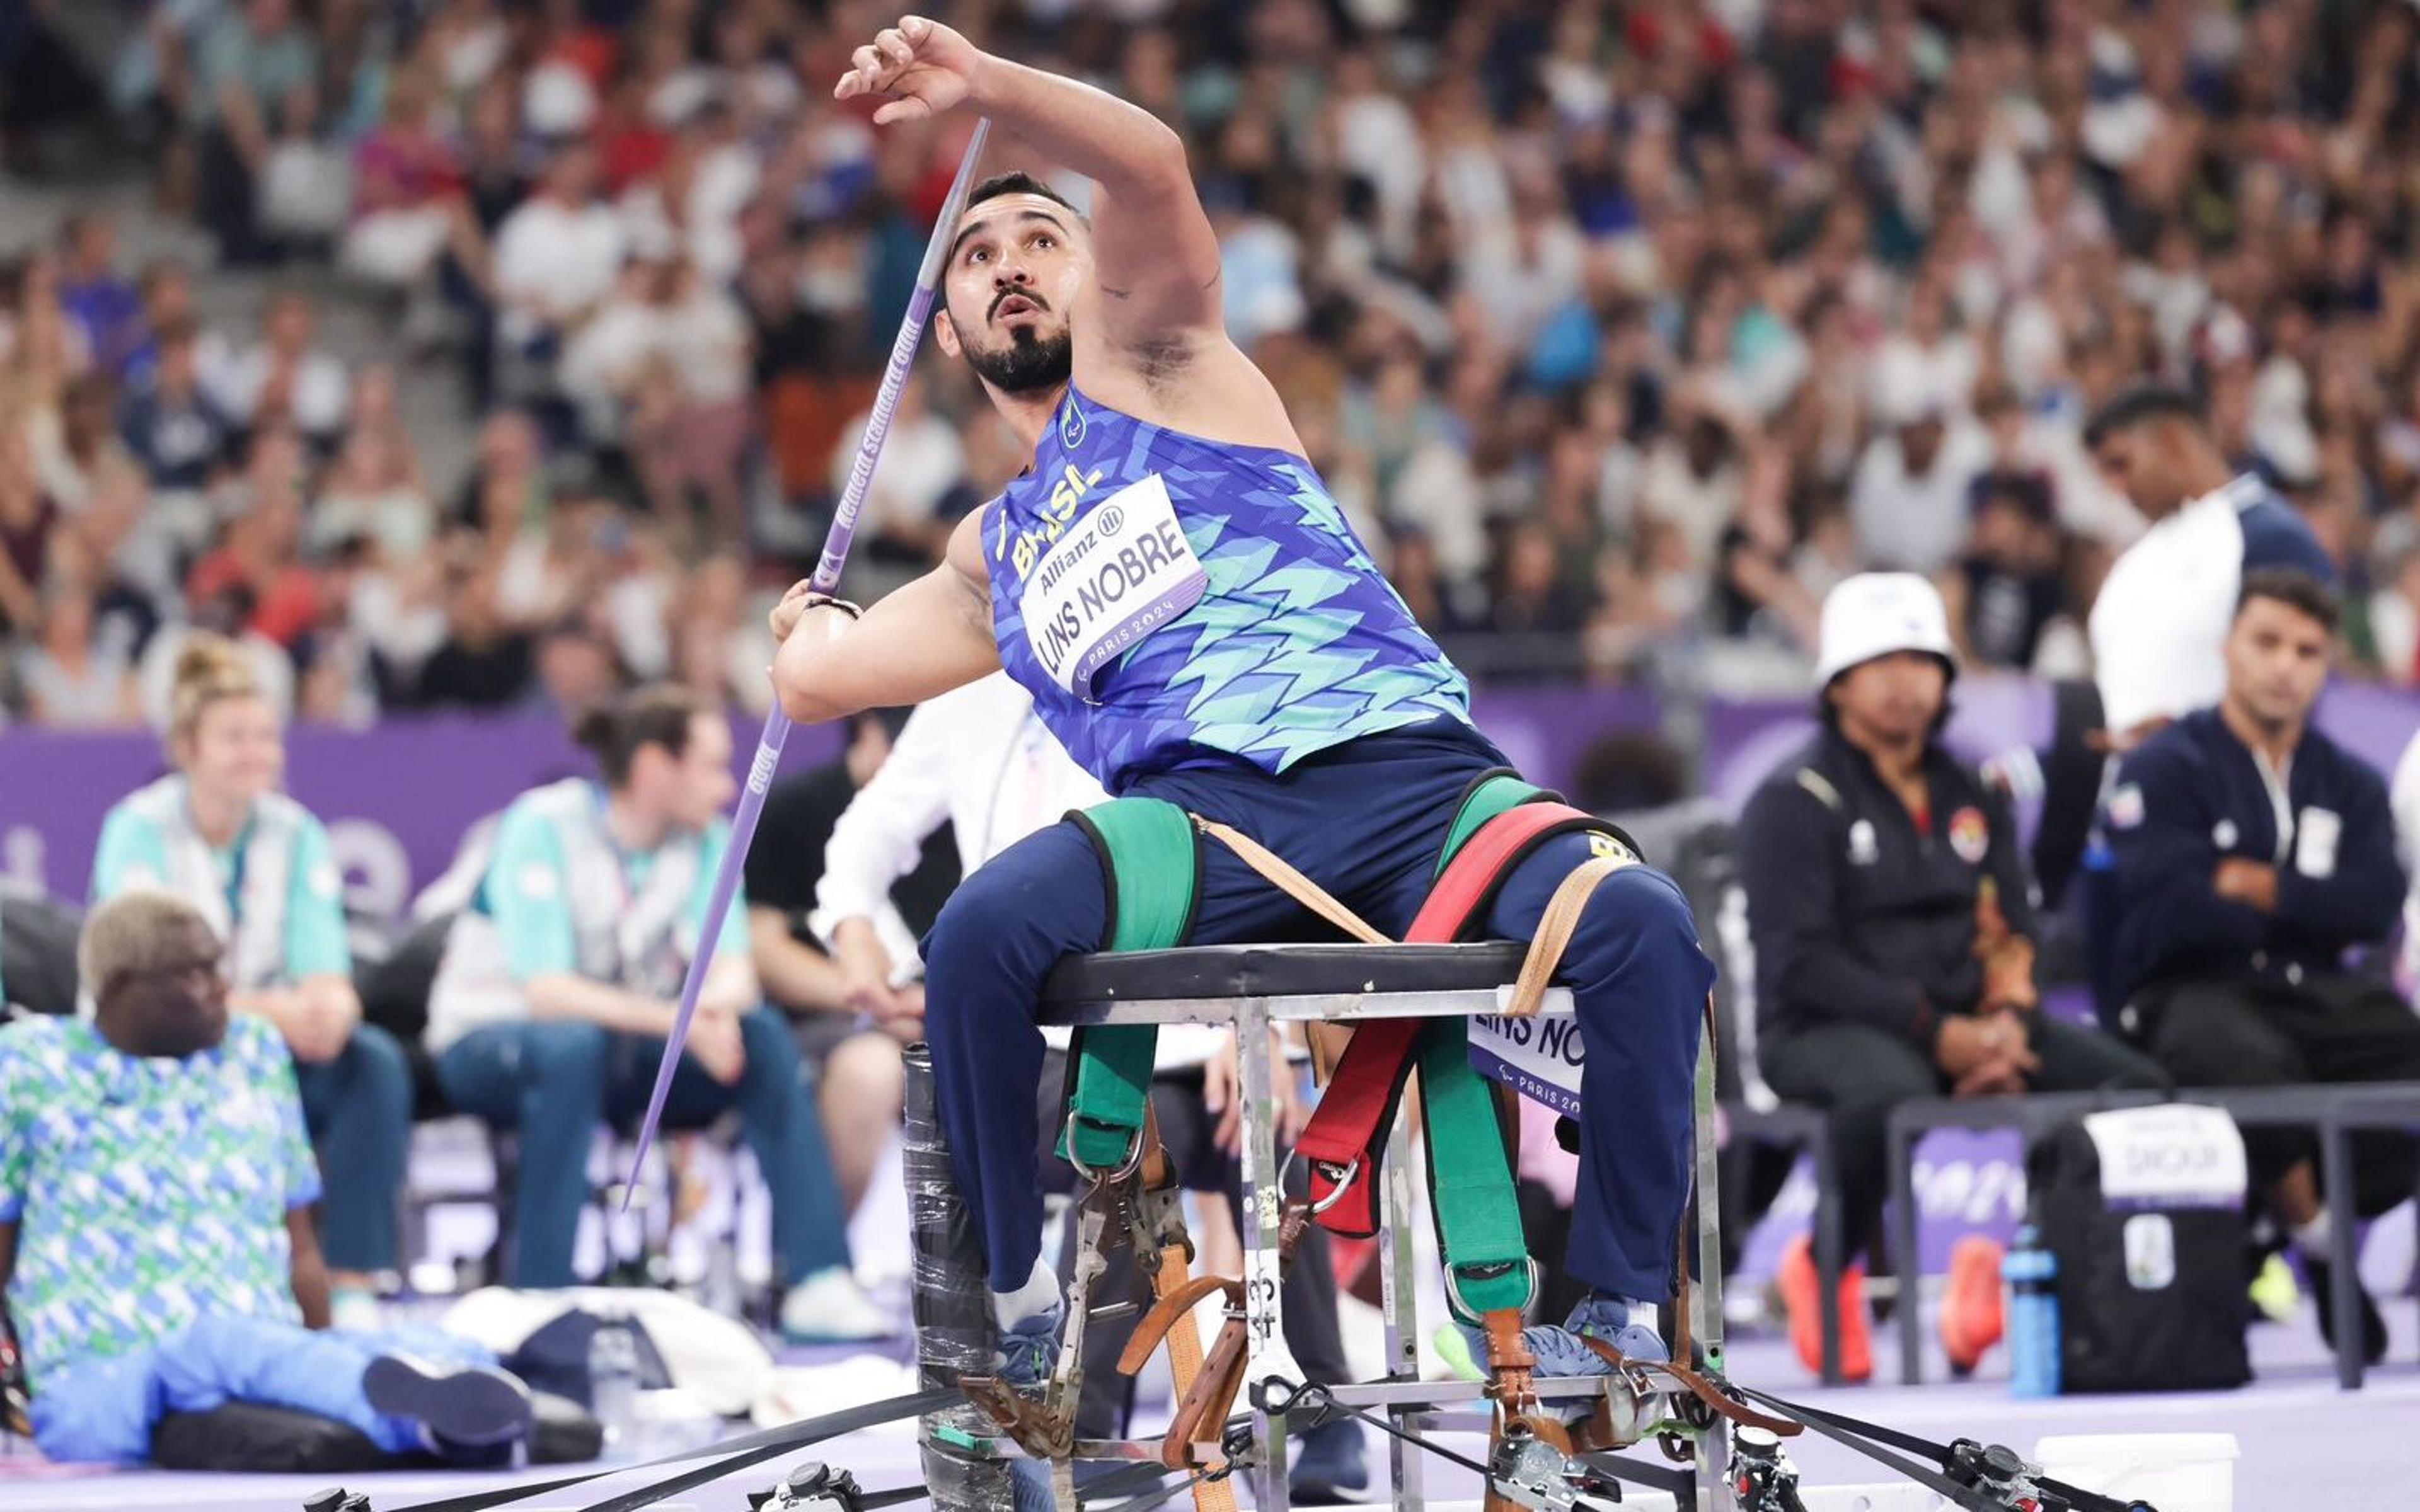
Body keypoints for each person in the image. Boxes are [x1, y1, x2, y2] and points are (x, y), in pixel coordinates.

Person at [771, 14, 1710, 1409]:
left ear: (1100, 282)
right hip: (1205, 828)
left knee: (1644, 924)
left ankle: (1617, 1309)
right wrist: (802, 629)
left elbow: (1148, 162)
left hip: (1413, 786)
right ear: (957, 333)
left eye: (1040, 239)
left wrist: (996, 96)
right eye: (978, 259)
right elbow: (820, 679)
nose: (1011, 264)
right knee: (977, 936)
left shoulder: (1162, 364)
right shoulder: (993, 558)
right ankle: (1021, 1302)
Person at [812, 671, 1366, 1501]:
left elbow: (1249, 860)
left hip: (1182, 1017)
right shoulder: (964, 702)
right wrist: (857, 935)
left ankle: (1291, 1406)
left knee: (1261, 1121)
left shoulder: (1176, 675)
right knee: (1147, 1125)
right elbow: (863, 841)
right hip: (1032, 1045)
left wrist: (1249, 1024)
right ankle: (1127, 1424)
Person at [1739, 574, 2168, 1382]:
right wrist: (1941, 1034)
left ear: (1946, 677)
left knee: (2133, 1091)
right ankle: (1826, 1265)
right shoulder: (1791, 799)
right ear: (1837, 682)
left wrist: (2006, 1018)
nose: (1905, 681)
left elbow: (2013, 920)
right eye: (1881, 661)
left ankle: (2020, 1268)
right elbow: (1801, 960)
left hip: (1975, 1019)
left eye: (1922, 660)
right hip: (1821, 1029)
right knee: (1885, 1090)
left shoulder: (1971, 788)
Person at [0, 891, 533, 1466]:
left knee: (410, 1341)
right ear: (120, 986)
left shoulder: (252, 1052)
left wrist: (321, 1338)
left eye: (217, 966)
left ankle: (482, 1377)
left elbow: (298, 1240)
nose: (221, 988)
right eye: (193, 974)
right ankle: (422, 1419)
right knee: (216, 1343)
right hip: (99, 1384)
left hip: (262, 1364)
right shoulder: (31, 1065)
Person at [424, 684, 887, 1341]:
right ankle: (541, 1299)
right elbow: (547, 992)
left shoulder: (707, 843)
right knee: (570, 1046)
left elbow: (736, 977)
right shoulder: (541, 824)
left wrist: (711, 1015)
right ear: (652, 767)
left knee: (758, 1036)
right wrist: (683, 1022)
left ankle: (819, 1280)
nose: (728, 788)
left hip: (625, 1044)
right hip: (492, 1041)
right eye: (711, 766)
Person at [2106, 568, 2420, 1365]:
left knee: (2401, 1052)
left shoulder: (2345, 780)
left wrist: (2254, 880)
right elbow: (2171, 902)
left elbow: (2374, 902)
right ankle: (2322, 1252)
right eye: (2268, 642)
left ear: (2325, 665)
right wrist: (2305, 898)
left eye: (2308, 650)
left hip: (2315, 991)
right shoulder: (2165, 764)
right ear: (2229, 649)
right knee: (2251, 1063)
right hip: (2186, 989)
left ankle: (2280, 1215)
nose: (2286, 665)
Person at [91, 635, 411, 1329]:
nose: (257, 753)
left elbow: (324, 962)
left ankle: (351, 1285)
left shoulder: (297, 831)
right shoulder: (137, 829)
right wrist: (276, 1012)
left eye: (267, 737)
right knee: (231, 1054)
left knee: (374, 1063)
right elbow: (149, 985)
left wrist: (333, 1006)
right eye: (234, 737)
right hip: (163, 1051)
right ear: (186, 748)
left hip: (268, 1046)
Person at [2019, 387, 2333, 918]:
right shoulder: (2137, 560)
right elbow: (2119, 703)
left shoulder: (2268, 537)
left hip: (2217, 836)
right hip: (2115, 833)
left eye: (2123, 464)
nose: (2116, 488)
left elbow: (2294, 691)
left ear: (2172, 441)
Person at [744, 707, 957, 1215]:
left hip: (936, 1010)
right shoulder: (796, 810)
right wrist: (869, 996)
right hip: (826, 1019)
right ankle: (821, 1255)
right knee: (872, 1070)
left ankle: (994, 1266)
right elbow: (765, 948)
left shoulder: (955, 814)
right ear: (868, 734)